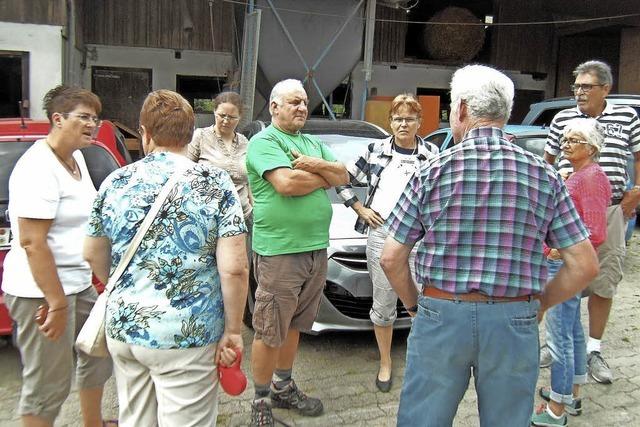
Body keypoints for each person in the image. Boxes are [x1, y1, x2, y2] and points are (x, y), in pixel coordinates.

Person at [380, 64, 600, 426]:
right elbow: (585, 265)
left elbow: (391, 258)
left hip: (440, 314)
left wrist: (416, 305)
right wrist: (540, 303)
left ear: (462, 109)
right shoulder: (545, 175)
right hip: (514, 318)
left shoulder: (432, 171)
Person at [84, 89, 248, 426]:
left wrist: (127, 287)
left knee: (135, 419)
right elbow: (234, 268)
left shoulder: (116, 181)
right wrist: (233, 330)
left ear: (144, 133)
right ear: (190, 136)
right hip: (187, 335)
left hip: (126, 329)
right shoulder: (214, 183)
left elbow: (91, 252)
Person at [2, 85, 113, 427]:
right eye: (83, 117)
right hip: (42, 293)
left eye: (95, 118)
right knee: (48, 384)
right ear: (57, 119)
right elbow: (33, 243)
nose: (92, 125)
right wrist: (56, 302)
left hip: (78, 284)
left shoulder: (75, 157)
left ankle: (94, 423)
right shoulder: (38, 168)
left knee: (98, 356)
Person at [245, 79, 348, 426]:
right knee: (269, 329)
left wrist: (312, 166)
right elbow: (286, 185)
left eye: (305, 102)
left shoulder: (312, 143)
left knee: (294, 326)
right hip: (280, 253)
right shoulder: (264, 142)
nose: (302, 108)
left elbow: (345, 174)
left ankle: (283, 386)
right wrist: (323, 173)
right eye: (294, 102)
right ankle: (260, 402)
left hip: (316, 249)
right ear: (274, 107)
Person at [543, 60, 640, 384]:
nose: (580, 92)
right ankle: (560, 349)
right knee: (564, 285)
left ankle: (592, 350)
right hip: (568, 212)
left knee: (603, 281)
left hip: (611, 210)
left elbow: (639, 158)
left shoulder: (626, 116)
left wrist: (635, 193)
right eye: (577, 86)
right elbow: (548, 163)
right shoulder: (562, 119)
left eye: (587, 86)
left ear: (605, 89)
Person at [336, 93, 438, 392]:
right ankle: (385, 362)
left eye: (409, 119)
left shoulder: (431, 154)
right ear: (390, 121)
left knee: (421, 300)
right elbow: (342, 179)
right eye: (397, 118)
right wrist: (359, 208)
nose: (403, 124)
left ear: (420, 122)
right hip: (381, 233)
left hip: (417, 237)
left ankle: (423, 362)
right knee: (383, 303)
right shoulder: (374, 150)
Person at [532, 118, 611, 426]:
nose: (564, 144)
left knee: (559, 337)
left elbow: (595, 232)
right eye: (564, 139)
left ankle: (556, 410)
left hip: (563, 264)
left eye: (573, 140)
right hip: (565, 262)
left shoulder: (590, 178)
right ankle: (573, 394)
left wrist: (556, 250)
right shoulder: (582, 174)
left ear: (591, 147)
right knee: (572, 330)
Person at [188, 91, 253, 226]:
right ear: (214, 112)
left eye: (232, 117)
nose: (225, 121)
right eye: (222, 115)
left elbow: (249, 182)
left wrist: (255, 208)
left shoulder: (245, 142)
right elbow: (185, 171)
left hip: (242, 216)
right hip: (208, 217)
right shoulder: (201, 136)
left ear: (240, 117)